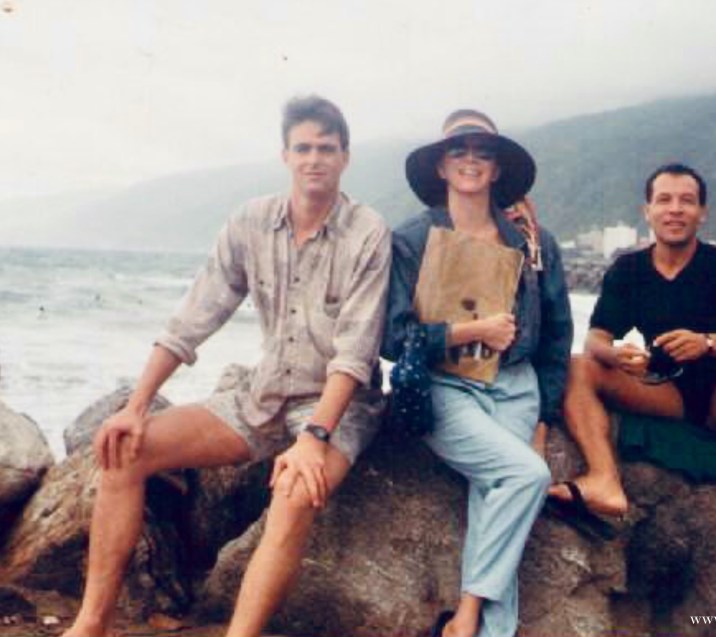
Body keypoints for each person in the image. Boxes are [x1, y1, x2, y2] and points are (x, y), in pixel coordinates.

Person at [62, 95, 391, 637]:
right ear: (285, 156)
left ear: (345, 157)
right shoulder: (251, 222)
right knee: (125, 451)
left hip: (338, 407)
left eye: (326, 148)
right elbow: (194, 317)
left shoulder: (367, 231)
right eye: (303, 148)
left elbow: (355, 353)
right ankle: (90, 624)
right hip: (262, 395)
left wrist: (314, 438)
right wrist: (136, 406)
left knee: (295, 491)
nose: (314, 159)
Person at [382, 110, 572, 637]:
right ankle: (467, 617)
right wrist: (471, 331)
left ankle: (478, 629)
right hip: (444, 385)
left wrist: (544, 422)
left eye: (483, 152)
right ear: (441, 166)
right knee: (525, 476)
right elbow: (392, 338)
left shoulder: (532, 242)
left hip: (515, 387)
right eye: (458, 151)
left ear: (497, 168)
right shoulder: (412, 239)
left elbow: (556, 339)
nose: (470, 161)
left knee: (496, 493)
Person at [549, 163, 716, 531]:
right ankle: (604, 479)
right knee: (577, 366)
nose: (675, 209)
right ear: (648, 211)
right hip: (664, 392)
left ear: (702, 213)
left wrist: (707, 343)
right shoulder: (628, 269)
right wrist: (617, 355)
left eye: (687, 201)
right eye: (664, 200)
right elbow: (596, 339)